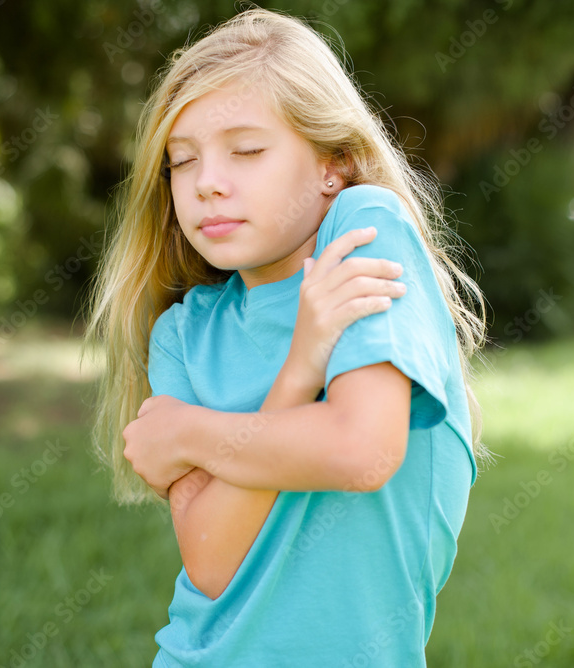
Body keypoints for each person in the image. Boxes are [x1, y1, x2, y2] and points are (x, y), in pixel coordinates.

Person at [86, 7, 489, 666]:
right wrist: (301, 370)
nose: (207, 182)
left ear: (334, 164)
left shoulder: (364, 230)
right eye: (182, 161)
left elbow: (361, 450)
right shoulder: (182, 334)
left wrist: (189, 433)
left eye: (247, 150)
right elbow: (211, 562)